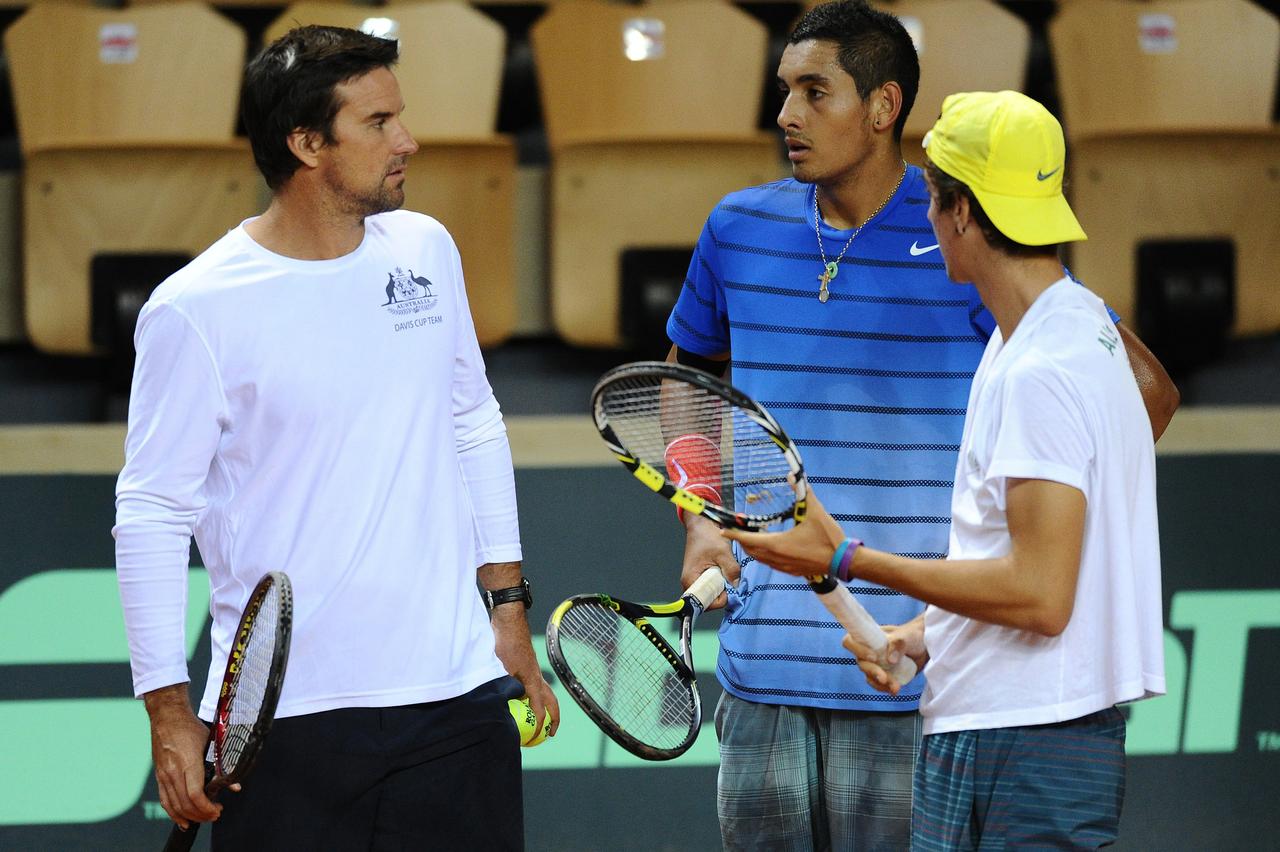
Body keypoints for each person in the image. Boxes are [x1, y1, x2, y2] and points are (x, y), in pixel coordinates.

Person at [663, 2, 1178, 848]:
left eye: (814, 91)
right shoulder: (735, 229)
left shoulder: (971, 238)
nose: (786, 115)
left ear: (882, 106)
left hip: (912, 670)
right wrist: (699, 516)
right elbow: (683, 378)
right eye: (783, 90)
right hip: (764, 672)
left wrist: (1038, 518)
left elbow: (1138, 394)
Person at [113, 25, 557, 851]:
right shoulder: (193, 308)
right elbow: (150, 513)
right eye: (379, 123)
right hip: (288, 721)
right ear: (307, 143)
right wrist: (170, 711)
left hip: (455, 700)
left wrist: (508, 612)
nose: (409, 141)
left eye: (401, 117)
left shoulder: (426, 249)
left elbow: (473, 424)